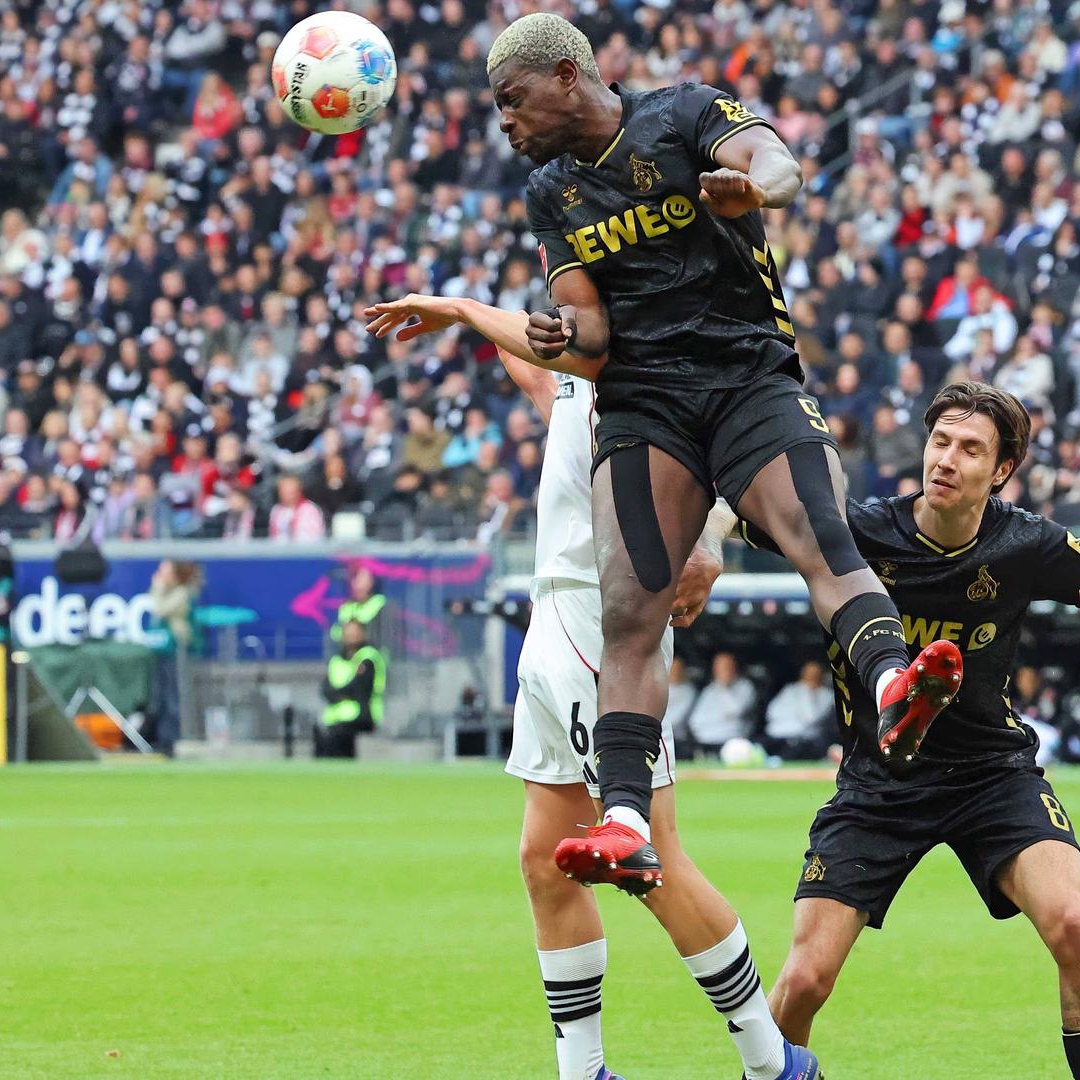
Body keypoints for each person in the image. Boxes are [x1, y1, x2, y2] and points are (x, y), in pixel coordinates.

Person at [362, 19, 959, 954]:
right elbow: (590, 338)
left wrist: (747, 186)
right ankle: (628, 824)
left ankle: (892, 687)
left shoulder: (682, 113)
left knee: (819, 535)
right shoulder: (551, 192)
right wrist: (559, 336)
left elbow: (782, 164)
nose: (504, 124)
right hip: (646, 408)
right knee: (629, 607)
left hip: (751, 378)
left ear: (567, 74)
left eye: (512, 100)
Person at [754, 383, 1080, 1080]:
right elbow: (741, 509)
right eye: (940, 441)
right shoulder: (857, 532)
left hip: (992, 775)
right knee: (804, 983)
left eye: (969, 448)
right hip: (879, 783)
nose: (946, 459)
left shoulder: (1026, 542)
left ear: (1001, 470)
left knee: (1075, 925)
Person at [489, 339, 793, 1080]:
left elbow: (736, 450)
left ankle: (772, 1060)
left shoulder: (658, 355)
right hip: (551, 612)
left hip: (604, 615)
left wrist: (711, 534)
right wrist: (467, 314)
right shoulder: (572, 363)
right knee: (543, 860)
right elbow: (534, 369)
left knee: (651, 857)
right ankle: (584, 1071)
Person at [146, 560, 200, 756]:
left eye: (163, 571)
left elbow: (160, 609)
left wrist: (157, 588)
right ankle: (159, 737)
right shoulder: (168, 591)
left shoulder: (182, 592)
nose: (160, 575)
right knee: (159, 696)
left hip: (175, 649)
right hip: (161, 649)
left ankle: (169, 740)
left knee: (171, 696)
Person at [317, 619, 383, 758]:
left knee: (339, 736)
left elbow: (360, 688)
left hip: (362, 715)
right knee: (320, 734)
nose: (351, 635)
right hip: (335, 717)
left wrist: (338, 693)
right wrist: (339, 694)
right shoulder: (336, 659)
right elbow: (326, 688)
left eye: (355, 632)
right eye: (348, 632)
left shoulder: (368, 657)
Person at [687, 652, 758, 757]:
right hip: (705, 741)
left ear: (734, 667)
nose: (722, 671)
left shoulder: (745, 686)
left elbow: (735, 711)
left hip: (733, 743)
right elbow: (695, 720)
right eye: (718, 667)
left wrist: (724, 688)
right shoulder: (710, 689)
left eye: (726, 667)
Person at [762, 661, 835, 761]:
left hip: (804, 739)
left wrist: (808, 692)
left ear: (820, 676)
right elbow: (771, 712)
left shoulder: (827, 695)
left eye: (814, 675)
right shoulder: (790, 689)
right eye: (808, 674)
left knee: (797, 746)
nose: (810, 677)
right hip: (778, 735)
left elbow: (811, 718)